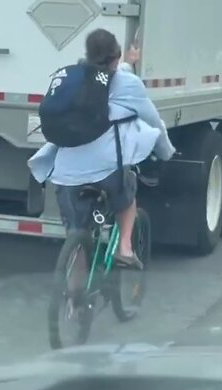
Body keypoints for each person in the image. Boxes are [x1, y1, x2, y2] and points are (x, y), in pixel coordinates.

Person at [29, 29, 175, 269]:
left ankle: (73, 300)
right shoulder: (129, 84)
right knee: (128, 193)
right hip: (107, 170)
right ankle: (125, 248)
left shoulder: (72, 78)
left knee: (76, 234)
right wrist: (165, 152)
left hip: (65, 173)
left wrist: (128, 62)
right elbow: (153, 122)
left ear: (87, 54)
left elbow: (110, 73)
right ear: (116, 57)